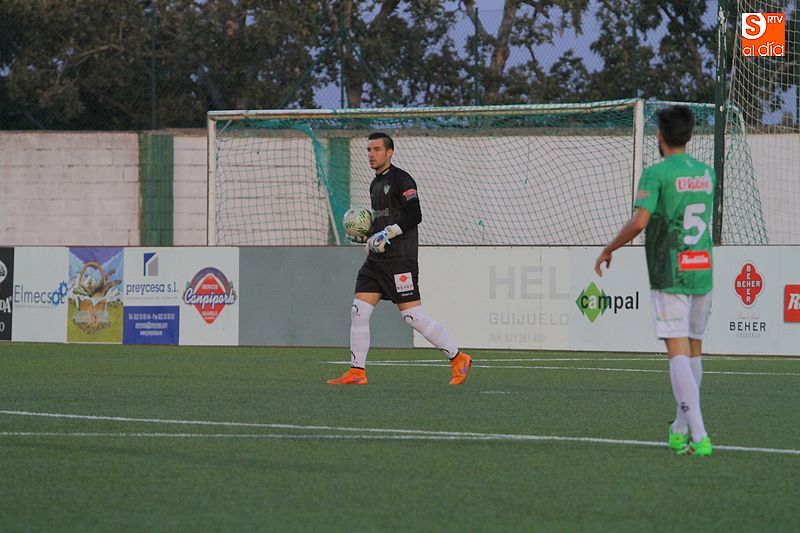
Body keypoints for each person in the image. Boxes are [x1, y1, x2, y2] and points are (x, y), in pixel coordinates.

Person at [594, 105, 714, 457]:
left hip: (670, 270)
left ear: (660, 137)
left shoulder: (656, 173)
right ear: (689, 135)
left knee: (677, 351)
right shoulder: (707, 173)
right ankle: (680, 429)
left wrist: (609, 248)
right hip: (702, 268)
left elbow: (639, 222)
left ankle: (700, 435)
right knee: (694, 348)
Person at [327, 132, 472, 385]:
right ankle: (357, 371)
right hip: (377, 261)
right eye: (369, 150)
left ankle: (458, 358)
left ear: (390, 152)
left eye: (377, 149)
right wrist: (370, 237)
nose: (371, 154)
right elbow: (382, 219)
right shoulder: (375, 184)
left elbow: (415, 215)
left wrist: (390, 232)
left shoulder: (402, 179)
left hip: (400, 260)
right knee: (358, 311)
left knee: (412, 316)